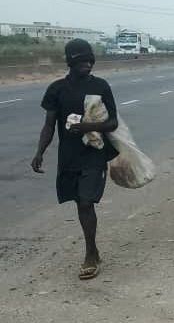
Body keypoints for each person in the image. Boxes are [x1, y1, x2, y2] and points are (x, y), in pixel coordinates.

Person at [31, 39, 119, 280]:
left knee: (85, 202)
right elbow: (49, 125)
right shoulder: (56, 89)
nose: (88, 64)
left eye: (90, 60)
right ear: (71, 61)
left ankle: (90, 253)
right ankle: (94, 249)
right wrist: (40, 151)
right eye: (82, 61)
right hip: (69, 156)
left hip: (94, 154)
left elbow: (113, 123)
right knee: (77, 201)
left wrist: (87, 126)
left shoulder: (101, 86)